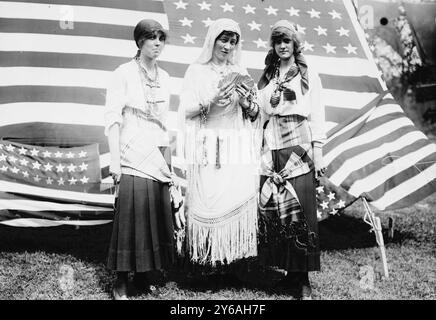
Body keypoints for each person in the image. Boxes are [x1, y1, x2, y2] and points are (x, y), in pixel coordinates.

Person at [104, 19, 181, 300]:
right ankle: (121, 280)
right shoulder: (122, 73)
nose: (157, 43)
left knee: (154, 213)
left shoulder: (167, 78)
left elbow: (164, 121)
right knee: (132, 214)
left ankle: (145, 273)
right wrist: (114, 160)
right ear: (140, 42)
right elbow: (112, 118)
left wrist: (167, 153)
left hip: (157, 149)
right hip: (132, 148)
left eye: (161, 38)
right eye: (152, 38)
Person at [179, 18, 260, 270]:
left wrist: (247, 104)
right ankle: (204, 261)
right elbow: (186, 112)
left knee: (232, 195)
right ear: (212, 40)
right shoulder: (196, 71)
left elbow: (256, 114)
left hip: (236, 145)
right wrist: (211, 100)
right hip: (208, 144)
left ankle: (231, 261)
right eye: (223, 40)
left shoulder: (242, 74)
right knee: (208, 198)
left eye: (233, 42)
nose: (227, 46)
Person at [256, 20, 327, 299]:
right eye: (278, 41)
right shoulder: (268, 75)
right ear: (273, 46)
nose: (283, 46)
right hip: (273, 148)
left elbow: (316, 113)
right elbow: (262, 111)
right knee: (280, 212)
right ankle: (288, 275)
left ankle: (304, 279)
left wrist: (318, 152)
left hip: (298, 149)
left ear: (295, 44)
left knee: (302, 213)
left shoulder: (307, 75)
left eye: (287, 41)